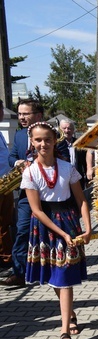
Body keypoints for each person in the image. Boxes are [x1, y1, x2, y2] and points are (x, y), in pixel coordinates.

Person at [21, 121, 92, 339]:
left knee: (64, 277)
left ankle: (64, 332)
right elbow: (36, 210)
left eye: (48, 139)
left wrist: (88, 228)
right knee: (54, 276)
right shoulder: (30, 172)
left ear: (55, 140)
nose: (44, 144)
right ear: (32, 142)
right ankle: (69, 312)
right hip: (44, 226)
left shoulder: (67, 168)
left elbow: (81, 200)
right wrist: (61, 233)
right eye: (38, 140)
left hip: (68, 221)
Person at [2, 99, 45, 287]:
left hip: (48, 194)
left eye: (25, 114)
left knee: (48, 232)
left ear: (38, 115)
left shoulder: (50, 134)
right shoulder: (19, 135)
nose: (21, 118)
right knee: (21, 231)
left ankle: (52, 270)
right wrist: (16, 163)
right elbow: (12, 156)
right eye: (19, 114)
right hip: (25, 193)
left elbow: (64, 159)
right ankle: (20, 273)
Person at [0, 100, 13, 273]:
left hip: (5, 183)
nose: (1, 112)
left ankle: (6, 258)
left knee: (5, 223)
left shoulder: (1, 132)